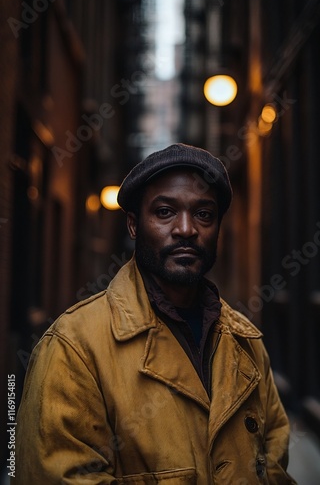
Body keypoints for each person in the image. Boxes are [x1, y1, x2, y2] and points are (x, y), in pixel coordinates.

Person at [16, 143, 296, 484]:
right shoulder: (73, 346)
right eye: (165, 212)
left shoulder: (246, 342)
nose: (186, 229)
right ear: (134, 226)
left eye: (204, 214)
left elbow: (275, 463)